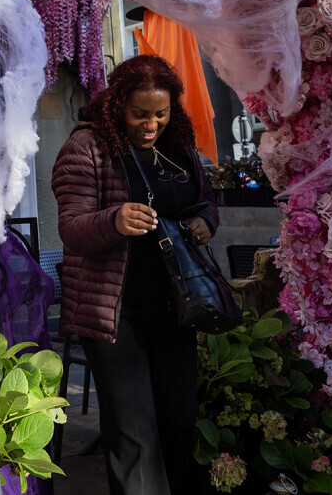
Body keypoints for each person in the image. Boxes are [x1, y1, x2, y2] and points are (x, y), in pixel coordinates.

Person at [53, 54, 219, 495]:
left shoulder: (178, 144)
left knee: (179, 420)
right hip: (115, 312)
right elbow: (71, 227)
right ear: (117, 105)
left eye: (160, 113)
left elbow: (205, 198)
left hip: (176, 306)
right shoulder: (86, 147)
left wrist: (206, 220)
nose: (151, 124)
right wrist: (114, 220)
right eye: (140, 113)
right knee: (134, 433)